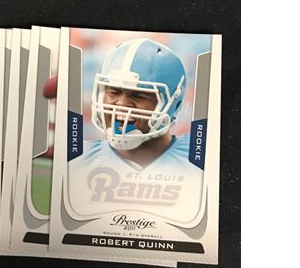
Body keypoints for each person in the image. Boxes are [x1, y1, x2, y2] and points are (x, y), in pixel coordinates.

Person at [70, 38, 203, 221]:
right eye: (114, 92)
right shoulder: (77, 160)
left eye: (138, 95)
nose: (121, 104)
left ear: (174, 104)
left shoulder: (198, 162)